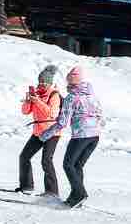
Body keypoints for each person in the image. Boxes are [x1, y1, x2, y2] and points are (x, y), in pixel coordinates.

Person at [40, 66, 104, 208]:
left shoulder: (71, 97)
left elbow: (62, 122)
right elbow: (100, 114)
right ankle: (76, 198)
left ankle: (80, 194)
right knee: (77, 166)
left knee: (68, 165)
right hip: (95, 136)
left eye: (68, 82)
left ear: (71, 82)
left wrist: (46, 135)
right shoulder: (91, 95)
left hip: (81, 135)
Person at [16, 65, 63, 196]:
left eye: (45, 82)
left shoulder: (54, 95)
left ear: (50, 83)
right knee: (24, 156)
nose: (42, 84)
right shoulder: (36, 94)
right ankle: (26, 186)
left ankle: (52, 191)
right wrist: (28, 101)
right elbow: (25, 112)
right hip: (38, 132)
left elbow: (51, 114)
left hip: (52, 132)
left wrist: (37, 101)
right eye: (40, 81)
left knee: (46, 160)